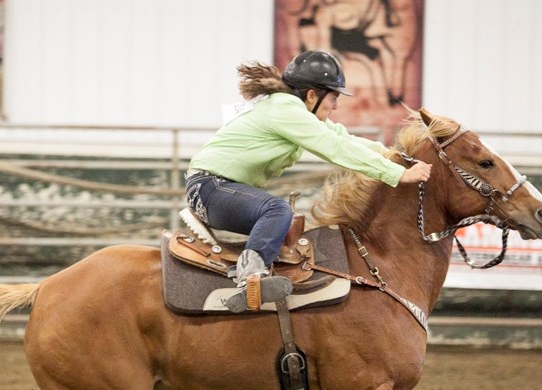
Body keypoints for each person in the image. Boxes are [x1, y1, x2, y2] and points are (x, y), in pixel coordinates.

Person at [185, 50, 432, 313]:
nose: (336, 105)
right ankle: (249, 280)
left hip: (213, 188)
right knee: (276, 210)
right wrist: (397, 174)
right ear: (312, 95)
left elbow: (343, 139)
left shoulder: (291, 111)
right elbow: (334, 147)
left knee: (280, 216)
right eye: (334, 96)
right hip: (210, 188)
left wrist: (392, 156)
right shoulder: (286, 110)